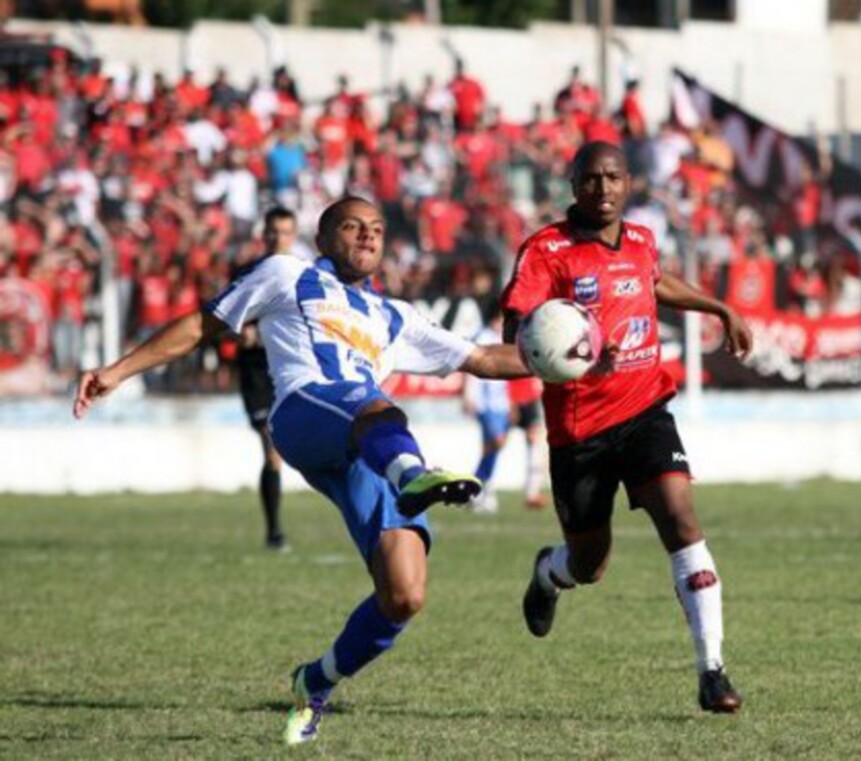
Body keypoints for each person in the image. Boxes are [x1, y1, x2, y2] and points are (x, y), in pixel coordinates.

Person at [73, 195, 529, 745]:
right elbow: (201, 325)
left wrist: (574, 360)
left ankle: (314, 683)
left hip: (368, 447)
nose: (367, 236)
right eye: (352, 226)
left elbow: (483, 358)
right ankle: (413, 478)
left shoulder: (396, 317)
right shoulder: (285, 274)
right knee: (373, 403)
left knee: (404, 594)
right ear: (323, 239)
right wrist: (118, 371)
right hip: (304, 415)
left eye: (376, 229)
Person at [500, 141, 753, 714]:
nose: (603, 188)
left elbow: (655, 282)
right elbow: (517, 328)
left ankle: (712, 671)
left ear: (629, 182)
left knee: (682, 519)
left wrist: (719, 307)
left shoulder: (640, 239)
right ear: (573, 184)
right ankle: (549, 574)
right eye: (591, 178)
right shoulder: (546, 249)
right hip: (579, 430)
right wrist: (575, 355)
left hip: (645, 410)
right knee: (589, 564)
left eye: (613, 177)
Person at [232, 207, 305, 551]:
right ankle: (274, 532)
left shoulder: (305, 275)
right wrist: (241, 334)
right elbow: (224, 320)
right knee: (272, 448)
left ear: (294, 235)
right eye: (273, 232)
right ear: (264, 234)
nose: (279, 238)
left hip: (292, 368)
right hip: (258, 373)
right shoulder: (248, 273)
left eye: (285, 232)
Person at [462, 313, 511, 513]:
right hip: (485, 403)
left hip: (502, 403)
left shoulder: (504, 338)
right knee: (496, 442)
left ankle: (477, 489)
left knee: (493, 446)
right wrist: (469, 396)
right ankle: (478, 486)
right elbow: (472, 366)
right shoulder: (483, 337)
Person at [507, 375, 547, 509]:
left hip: (530, 399)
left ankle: (532, 493)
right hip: (516, 399)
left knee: (534, 444)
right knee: (497, 442)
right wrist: (512, 402)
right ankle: (484, 488)